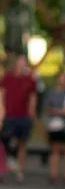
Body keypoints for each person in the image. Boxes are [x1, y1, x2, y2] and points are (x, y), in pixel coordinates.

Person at [0, 54, 37, 182]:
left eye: (24, 62)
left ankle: (20, 170)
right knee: (4, 142)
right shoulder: (7, 78)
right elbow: (2, 96)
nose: (22, 64)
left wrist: (31, 116)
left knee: (22, 144)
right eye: (20, 62)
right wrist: (1, 113)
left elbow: (32, 99)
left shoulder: (30, 80)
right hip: (9, 116)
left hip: (23, 117)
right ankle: (4, 167)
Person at [43, 72, 65, 185]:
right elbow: (47, 108)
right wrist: (59, 112)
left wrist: (64, 112)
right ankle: (53, 174)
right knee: (55, 149)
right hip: (54, 124)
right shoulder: (51, 92)